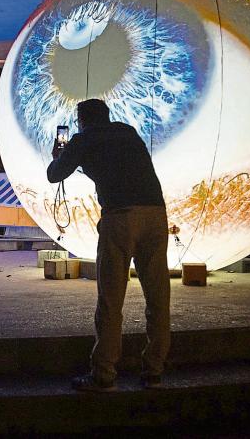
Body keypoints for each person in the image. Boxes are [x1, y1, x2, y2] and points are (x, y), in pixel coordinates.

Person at [46, 98, 170, 392]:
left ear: (81, 120)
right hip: (155, 214)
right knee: (158, 298)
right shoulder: (127, 131)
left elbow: (54, 174)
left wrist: (59, 155)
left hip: (120, 217)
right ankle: (154, 372)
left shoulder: (82, 139)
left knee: (111, 300)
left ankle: (103, 374)